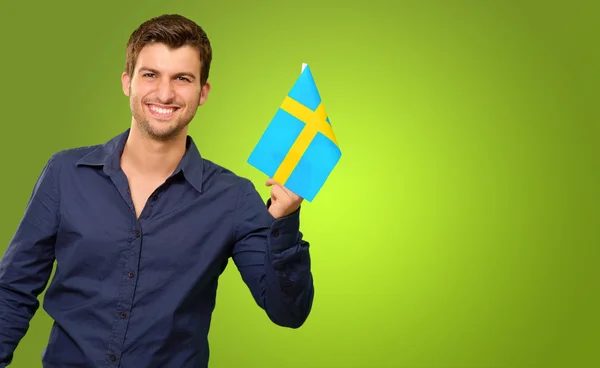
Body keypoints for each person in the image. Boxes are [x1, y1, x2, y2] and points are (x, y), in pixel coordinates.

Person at [0, 13, 314, 368]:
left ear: (203, 92)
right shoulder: (64, 173)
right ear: (127, 82)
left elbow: (288, 311)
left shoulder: (233, 197)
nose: (165, 93)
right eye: (150, 75)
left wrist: (284, 222)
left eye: (182, 78)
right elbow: (12, 291)